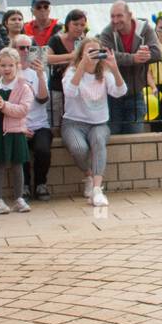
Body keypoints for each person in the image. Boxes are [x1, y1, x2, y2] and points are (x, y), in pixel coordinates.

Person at [62, 37, 125, 207]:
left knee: (98, 141)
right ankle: (88, 174)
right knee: (79, 148)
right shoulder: (71, 72)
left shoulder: (104, 73)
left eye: (97, 51)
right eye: (89, 51)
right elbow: (69, 92)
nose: (94, 55)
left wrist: (114, 68)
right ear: (81, 54)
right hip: (74, 122)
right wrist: (82, 66)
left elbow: (120, 91)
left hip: (99, 123)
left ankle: (97, 189)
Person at [97, 1, 161, 135]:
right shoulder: (107, 32)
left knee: (135, 136)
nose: (115, 20)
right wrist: (133, 58)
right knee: (113, 136)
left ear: (129, 15)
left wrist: (144, 55)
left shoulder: (145, 29)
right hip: (113, 95)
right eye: (112, 16)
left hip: (136, 93)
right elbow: (105, 54)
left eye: (119, 16)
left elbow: (157, 53)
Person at [0, 46, 33, 214]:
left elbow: (23, 110)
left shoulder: (24, 88)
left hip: (16, 132)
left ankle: (19, 198)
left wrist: (4, 105)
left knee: (17, 165)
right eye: (3, 65)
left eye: (10, 65)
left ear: (17, 66)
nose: (7, 69)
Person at [14, 34, 53, 201]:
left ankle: (40, 184)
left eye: (29, 48)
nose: (25, 51)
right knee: (21, 149)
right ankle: (24, 185)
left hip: (39, 124)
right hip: (17, 123)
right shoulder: (10, 71)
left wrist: (40, 76)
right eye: (21, 48)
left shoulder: (39, 71)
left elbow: (43, 99)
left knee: (43, 150)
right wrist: (21, 126)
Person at [46, 8, 86, 128]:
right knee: (56, 121)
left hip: (77, 87)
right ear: (68, 24)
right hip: (57, 86)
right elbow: (47, 58)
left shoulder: (84, 42)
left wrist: (69, 60)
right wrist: (71, 56)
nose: (79, 27)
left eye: (82, 25)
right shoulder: (56, 39)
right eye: (75, 24)